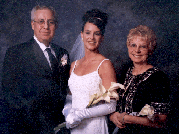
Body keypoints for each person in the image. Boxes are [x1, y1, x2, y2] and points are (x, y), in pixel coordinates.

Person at [1, 5, 70, 134]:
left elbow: (65, 87)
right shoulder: (16, 53)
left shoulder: (62, 53)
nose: (46, 26)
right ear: (33, 25)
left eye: (50, 22)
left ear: (56, 25)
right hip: (29, 127)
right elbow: (9, 95)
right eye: (41, 22)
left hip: (60, 126)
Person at [62, 9, 117, 134]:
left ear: (102, 38)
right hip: (75, 127)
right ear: (81, 35)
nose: (91, 37)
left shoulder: (105, 65)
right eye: (88, 33)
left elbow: (111, 105)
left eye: (96, 34)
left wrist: (81, 114)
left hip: (95, 127)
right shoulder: (73, 65)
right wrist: (67, 111)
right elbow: (70, 96)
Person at [109, 25, 170, 134]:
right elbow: (112, 104)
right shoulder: (124, 72)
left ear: (150, 50)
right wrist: (112, 116)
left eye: (143, 46)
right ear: (128, 47)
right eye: (133, 45)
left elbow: (162, 121)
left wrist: (128, 119)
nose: (137, 50)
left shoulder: (158, 78)